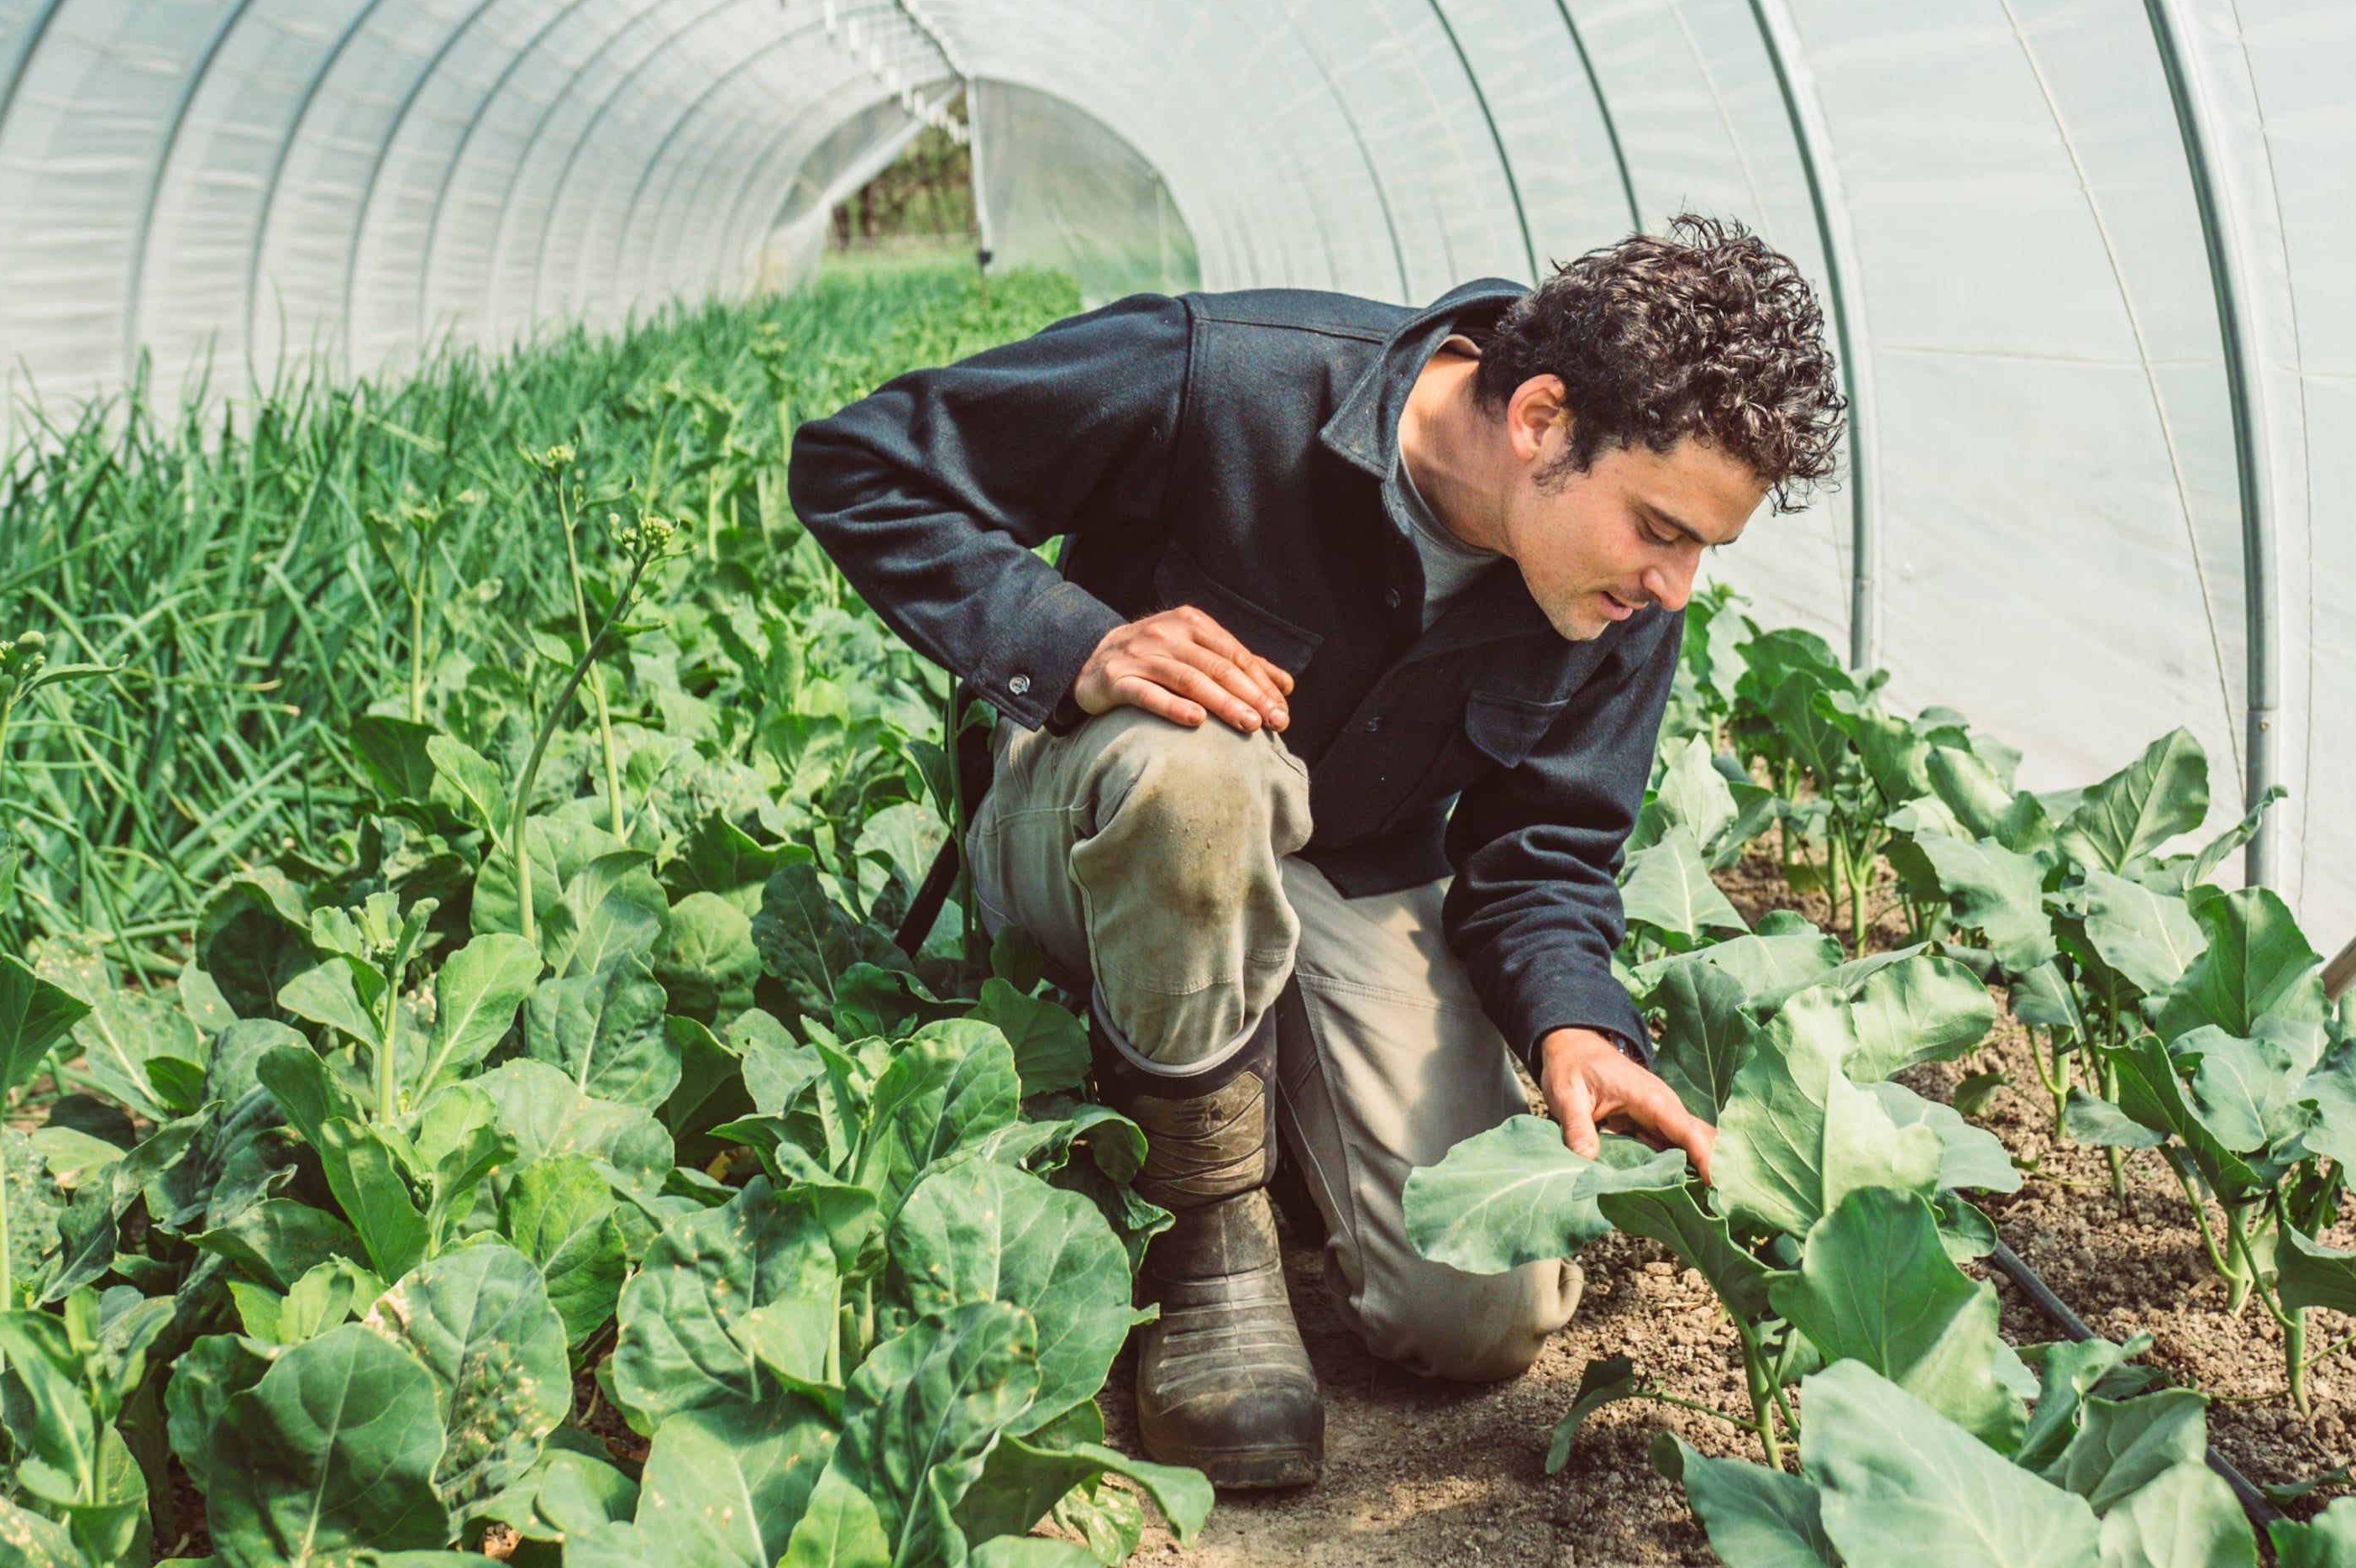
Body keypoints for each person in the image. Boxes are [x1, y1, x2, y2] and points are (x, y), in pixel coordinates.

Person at [788, 216, 1845, 1490]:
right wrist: (1071, 641)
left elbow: (1549, 850)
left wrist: (1575, 1026)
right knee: (1208, 766)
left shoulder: (1617, 601)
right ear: (1543, 420)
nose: (1674, 584)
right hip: (1087, 828)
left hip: (1338, 870)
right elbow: (860, 465)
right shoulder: (1223, 380)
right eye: (1662, 527)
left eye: (1702, 550)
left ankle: (1268, 1079)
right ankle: (1208, 1227)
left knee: (1479, 1312)